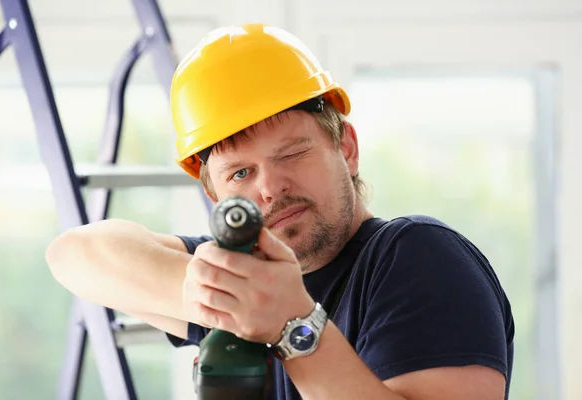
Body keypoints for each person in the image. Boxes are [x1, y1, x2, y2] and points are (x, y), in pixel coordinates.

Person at [46, 23, 515, 400]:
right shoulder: (245, 274)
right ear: (215, 196)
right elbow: (75, 253)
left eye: (291, 154)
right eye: (240, 174)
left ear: (346, 149)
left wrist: (293, 327)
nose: (270, 187)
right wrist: (212, 296)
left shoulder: (416, 256)